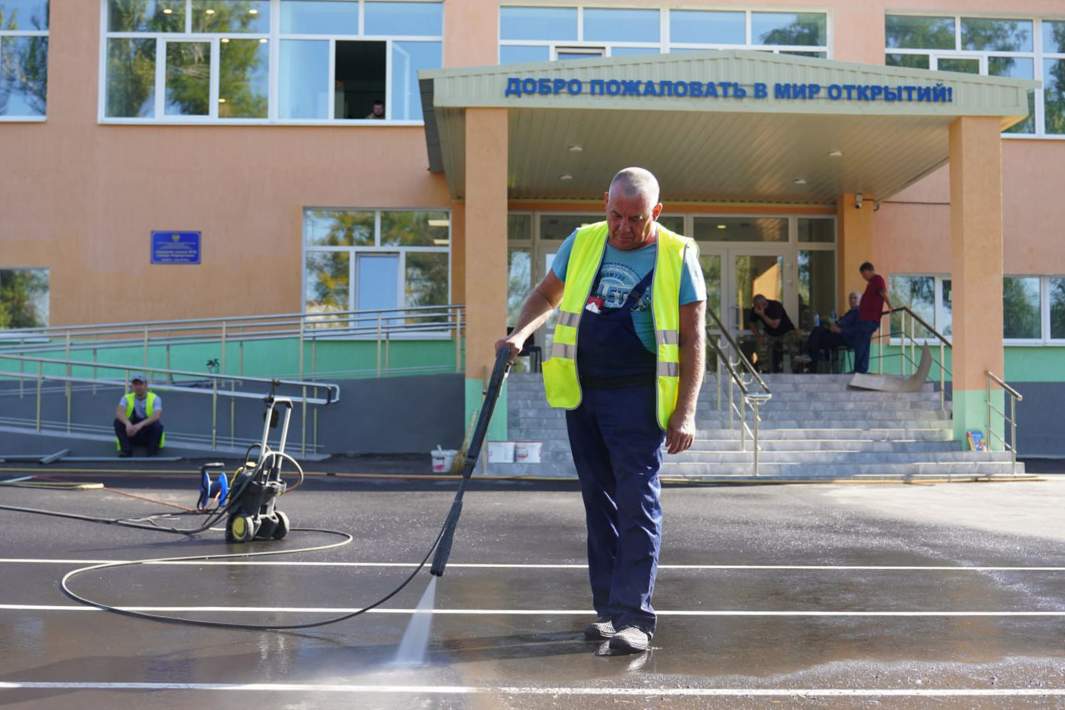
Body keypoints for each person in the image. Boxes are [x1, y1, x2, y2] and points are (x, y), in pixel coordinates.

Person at [499, 167, 706, 655]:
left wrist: (686, 411)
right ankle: (609, 613)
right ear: (604, 204)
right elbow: (546, 296)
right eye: (616, 215)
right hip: (584, 394)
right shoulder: (584, 241)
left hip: (640, 397)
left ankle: (636, 618)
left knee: (637, 504)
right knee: (600, 506)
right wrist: (519, 333)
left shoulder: (678, 254)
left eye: (636, 218)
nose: (624, 227)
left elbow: (694, 337)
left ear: (656, 212)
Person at [842, 262, 891, 374]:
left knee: (861, 343)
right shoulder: (871, 283)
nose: (863, 277)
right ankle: (859, 369)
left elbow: (883, 293)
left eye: (863, 274)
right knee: (861, 343)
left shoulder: (877, 279)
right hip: (865, 319)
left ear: (868, 271)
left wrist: (890, 305)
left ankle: (860, 370)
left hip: (869, 320)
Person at [805, 291, 860, 369]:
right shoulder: (850, 313)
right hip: (837, 334)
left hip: (845, 337)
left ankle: (812, 359)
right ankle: (814, 359)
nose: (852, 300)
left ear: (860, 300)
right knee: (817, 331)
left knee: (817, 335)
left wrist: (840, 330)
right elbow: (839, 323)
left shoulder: (858, 312)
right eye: (850, 298)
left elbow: (855, 329)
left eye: (855, 298)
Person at [113, 373, 164, 457]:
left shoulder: (155, 398)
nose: (138, 387)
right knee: (118, 422)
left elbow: (156, 415)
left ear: (146, 385)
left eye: (141, 384)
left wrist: (139, 425)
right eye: (135, 384)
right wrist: (127, 424)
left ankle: (152, 453)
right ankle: (126, 451)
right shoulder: (126, 398)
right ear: (132, 386)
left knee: (157, 425)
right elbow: (119, 412)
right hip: (131, 433)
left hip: (147, 434)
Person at [748, 294, 797, 373]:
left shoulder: (775, 306)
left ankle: (796, 370)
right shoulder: (756, 309)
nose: (756, 308)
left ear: (763, 304)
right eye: (755, 306)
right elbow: (751, 323)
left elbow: (775, 325)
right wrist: (758, 336)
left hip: (786, 331)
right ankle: (765, 370)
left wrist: (762, 315)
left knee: (792, 348)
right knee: (762, 346)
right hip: (770, 333)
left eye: (757, 306)